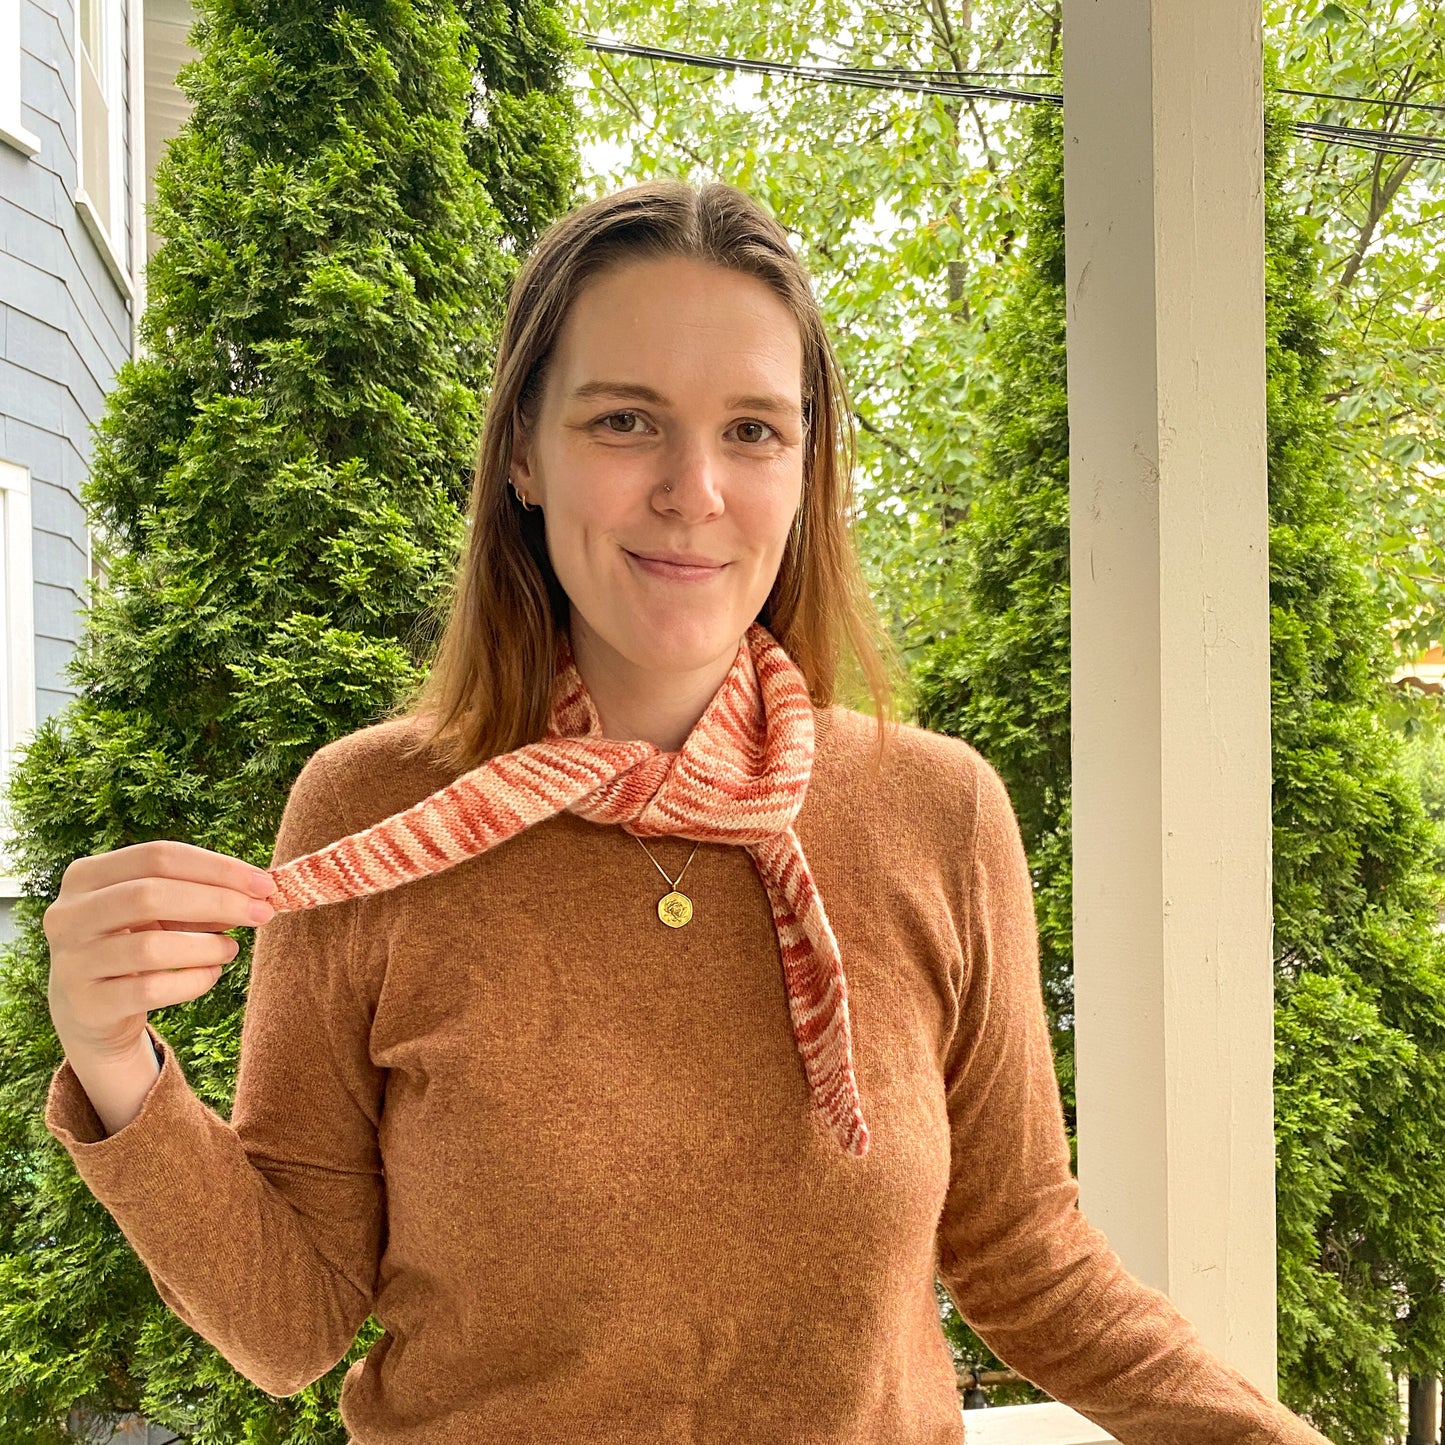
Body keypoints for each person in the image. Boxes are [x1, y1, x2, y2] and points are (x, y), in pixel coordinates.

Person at [43, 178, 1332, 1443]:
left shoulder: (936, 812)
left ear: (808, 473)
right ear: (523, 460)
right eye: (624, 421)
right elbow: (295, 1321)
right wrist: (113, 1060)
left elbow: (1025, 1254)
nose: (694, 490)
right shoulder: (373, 811)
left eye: (755, 431)